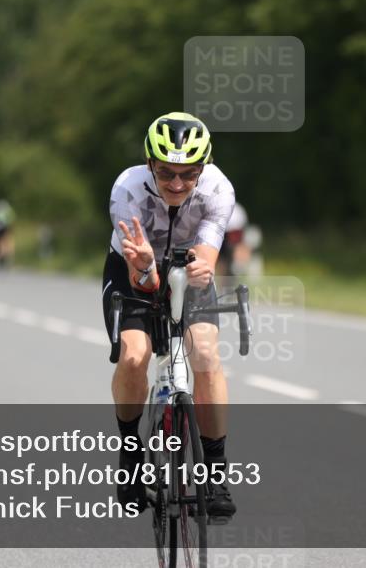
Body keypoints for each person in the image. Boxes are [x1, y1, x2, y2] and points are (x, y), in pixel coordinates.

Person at [102, 112, 237, 518]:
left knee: (206, 354)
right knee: (134, 356)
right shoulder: (127, 191)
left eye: (189, 173)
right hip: (132, 270)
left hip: (187, 267)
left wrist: (200, 271)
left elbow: (206, 258)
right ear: (150, 165)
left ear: (203, 169)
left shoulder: (218, 190)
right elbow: (143, 282)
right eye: (166, 173)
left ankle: (215, 474)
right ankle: (130, 455)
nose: (177, 183)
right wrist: (145, 265)